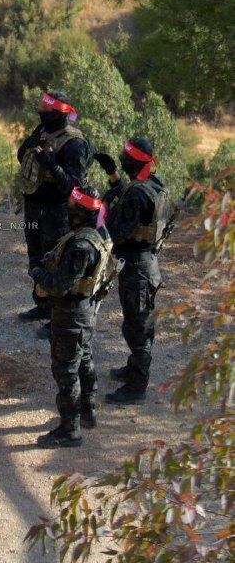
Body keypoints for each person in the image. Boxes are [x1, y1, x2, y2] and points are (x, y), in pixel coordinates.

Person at [32, 186, 117, 448]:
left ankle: (70, 430)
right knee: (85, 360)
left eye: (72, 206)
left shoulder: (80, 246)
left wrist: (37, 273)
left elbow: (59, 285)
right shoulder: (97, 234)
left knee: (66, 370)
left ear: (80, 212)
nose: (67, 209)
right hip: (86, 311)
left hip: (71, 314)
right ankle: (87, 412)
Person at [102, 137, 177, 406]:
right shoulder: (153, 184)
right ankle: (134, 368)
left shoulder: (136, 193)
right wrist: (113, 179)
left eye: (125, 155)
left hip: (137, 267)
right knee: (137, 321)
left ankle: (136, 387)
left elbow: (118, 232)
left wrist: (106, 208)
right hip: (146, 262)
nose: (122, 157)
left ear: (132, 161)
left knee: (138, 327)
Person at [16, 91, 91, 332]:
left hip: (57, 214)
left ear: (60, 114)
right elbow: (24, 158)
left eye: (46, 111)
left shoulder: (75, 144)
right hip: (34, 208)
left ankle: (57, 318)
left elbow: (74, 187)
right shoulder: (41, 131)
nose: (41, 114)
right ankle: (42, 304)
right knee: (36, 258)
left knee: (56, 263)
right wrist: (29, 146)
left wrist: (51, 164)